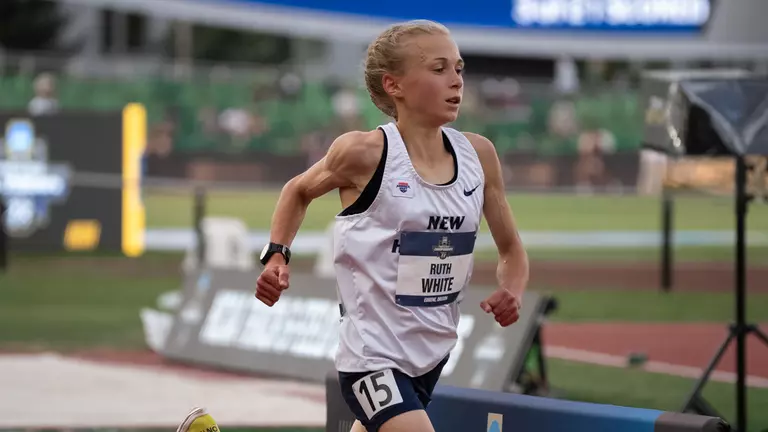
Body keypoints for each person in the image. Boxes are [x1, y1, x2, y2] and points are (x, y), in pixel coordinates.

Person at [181, 19, 529, 432]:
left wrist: (512, 290)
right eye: (438, 69)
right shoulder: (364, 153)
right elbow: (298, 190)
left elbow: (511, 249)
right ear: (394, 85)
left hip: (432, 356)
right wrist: (277, 255)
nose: (455, 81)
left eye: (459, 68)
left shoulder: (479, 155)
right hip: (371, 358)